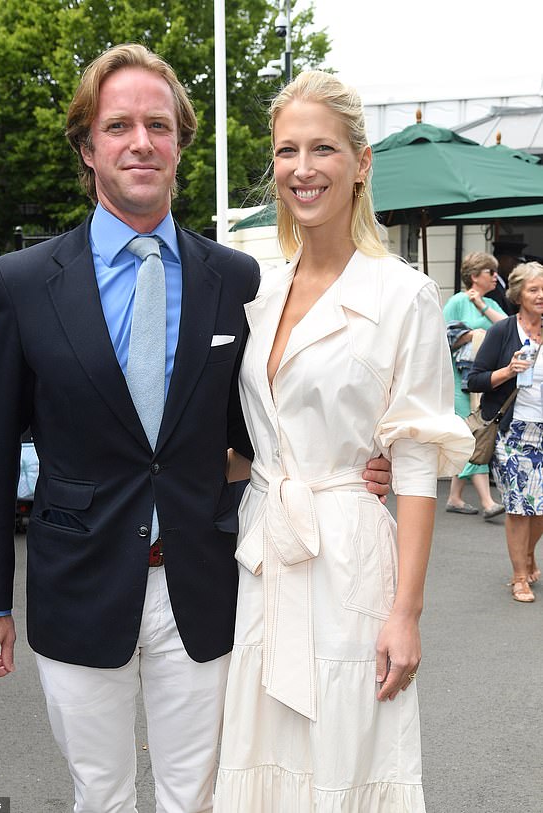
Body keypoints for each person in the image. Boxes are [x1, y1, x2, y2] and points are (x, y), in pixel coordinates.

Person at [0, 45, 392, 813]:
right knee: (100, 792)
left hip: (200, 581)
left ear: (181, 144)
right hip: (77, 584)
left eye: (158, 125)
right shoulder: (20, 284)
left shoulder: (235, 280)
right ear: (88, 145)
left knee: (193, 793)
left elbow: (263, 421)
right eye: (118, 124)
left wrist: (354, 460)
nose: (140, 142)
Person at [213, 70, 474, 812]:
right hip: (266, 550)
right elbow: (253, 440)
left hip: (351, 558)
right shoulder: (259, 290)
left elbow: (418, 461)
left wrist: (406, 612)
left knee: (346, 758)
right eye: (287, 150)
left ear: (361, 162)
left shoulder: (404, 294)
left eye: (323, 148)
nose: (302, 168)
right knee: (263, 755)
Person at [468, 261, 543, 603]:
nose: (541, 296)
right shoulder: (503, 331)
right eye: (533, 290)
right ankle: (518, 577)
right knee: (518, 506)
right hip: (513, 434)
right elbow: (476, 379)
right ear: (517, 295)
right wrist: (508, 370)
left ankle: (528, 555)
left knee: (539, 508)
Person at [442, 252, 506, 518]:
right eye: (490, 272)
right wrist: (473, 335)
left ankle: (455, 497)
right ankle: (487, 502)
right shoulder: (457, 300)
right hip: (459, 381)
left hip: (480, 379)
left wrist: (481, 306)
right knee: (473, 435)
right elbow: (441, 333)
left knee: (472, 433)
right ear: (474, 276)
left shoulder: (488, 302)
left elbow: (506, 326)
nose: (495, 277)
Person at [485, 240, 526, 316]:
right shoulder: (492, 288)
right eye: (514, 261)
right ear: (500, 260)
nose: (516, 266)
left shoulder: (505, 284)